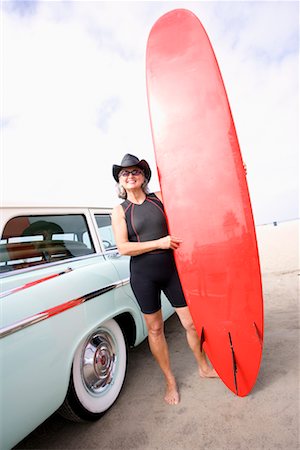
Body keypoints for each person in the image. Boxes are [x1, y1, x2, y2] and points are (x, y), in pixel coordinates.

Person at [111, 153, 217, 405]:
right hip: (143, 276)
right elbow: (124, 247)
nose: (130, 175)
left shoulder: (159, 198)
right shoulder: (119, 211)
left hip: (172, 271)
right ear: (120, 180)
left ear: (143, 176)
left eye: (135, 171)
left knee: (190, 324)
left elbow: (194, 194)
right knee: (155, 329)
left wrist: (231, 176)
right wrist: (159, 242)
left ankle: (203, 366)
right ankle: (170, 381)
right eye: (125, 173)